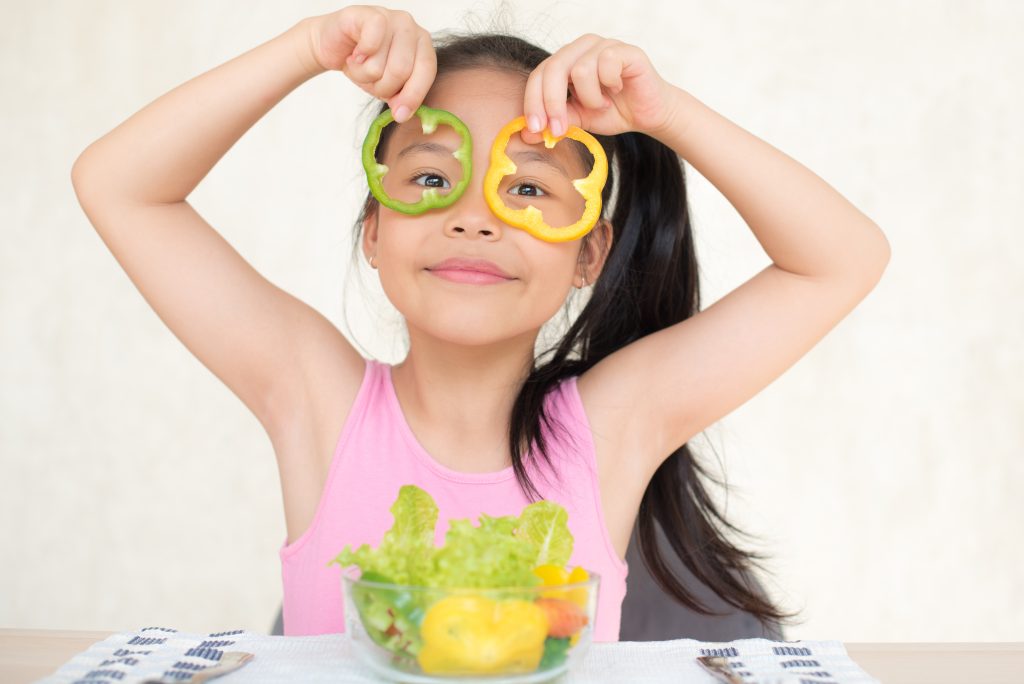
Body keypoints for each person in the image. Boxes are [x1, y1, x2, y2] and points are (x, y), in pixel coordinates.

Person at [70, 6, 890, 643]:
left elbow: (842, 257)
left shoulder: (612, 425)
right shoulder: (314, 397)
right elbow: (118, 184)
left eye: (526, 188)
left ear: (587, 254)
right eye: (430, 176)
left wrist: (663, 113)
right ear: (376, 232)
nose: (472, 218)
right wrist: (308, 47)